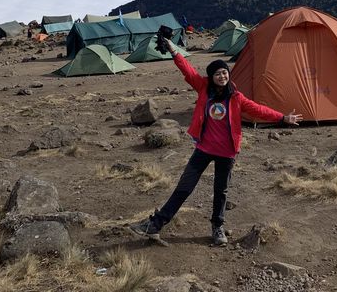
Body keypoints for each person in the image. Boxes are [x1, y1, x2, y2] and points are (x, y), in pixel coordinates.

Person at [129, 37, 303, 246]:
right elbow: (188, 71)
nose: (222, 76)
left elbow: (258, 109)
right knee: (184, 187)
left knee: (221, 192)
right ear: (211, 77)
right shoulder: (203, 89)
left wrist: (282, 118)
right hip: (203, 149)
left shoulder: (236, 97)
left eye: (224, 73)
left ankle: (217, 227)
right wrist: (174, 51)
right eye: (218, 73)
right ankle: (155, 224)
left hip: (226, 153)